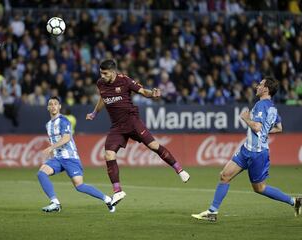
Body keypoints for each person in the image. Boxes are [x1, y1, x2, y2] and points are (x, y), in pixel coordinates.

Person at [191, 77, 301, 222]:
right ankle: (212, 212)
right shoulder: (272, 107)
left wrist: (245, 118)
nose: (257, 86)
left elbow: (257, 127)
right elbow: (279, 128)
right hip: (246, 149)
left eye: (260, 84)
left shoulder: (261, 105)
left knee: (259, 188)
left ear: (266, 89)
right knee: (225, 175)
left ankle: (294, 201)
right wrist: (264, 131)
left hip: (257, 154)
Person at [86, 59, 190, 206]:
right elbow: (103, 98)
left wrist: (152, 94)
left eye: (105, 73)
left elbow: (143, 92)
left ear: (113, 72)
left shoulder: (125, 80)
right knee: (109, 154)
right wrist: (94, 113)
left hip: (132, 121)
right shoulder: (100, 83)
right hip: (117, 126)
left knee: (154, 146)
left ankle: (179, 170)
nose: (102, 76)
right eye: (101, 73)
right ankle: (118, 191)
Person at [37, 96, 115, 213]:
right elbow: (54, 141)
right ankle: (55, 203)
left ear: (59, 107)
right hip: (58, 158)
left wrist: (51, 148)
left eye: (55, 104)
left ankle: (107, 199)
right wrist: (52, 152)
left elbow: (67, 138)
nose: (53, 106)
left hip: (70, 158)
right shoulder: (48, 125)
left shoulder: (64, 121)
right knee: (41, 173)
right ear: (48, 107)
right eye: (50, 104)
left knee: (79, 186)